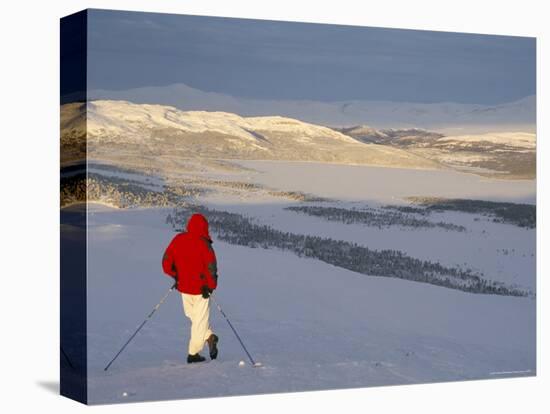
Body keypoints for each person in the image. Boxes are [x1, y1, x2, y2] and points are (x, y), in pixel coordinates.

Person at [162, 213, 219, 363]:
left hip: (184, 288)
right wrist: (211, 286)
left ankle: (208, 337)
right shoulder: (204, 244)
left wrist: (176, 276)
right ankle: (194, 354)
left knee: (194, 317)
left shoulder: (178, 239)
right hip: (202, 291)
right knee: (198, 321)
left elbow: (166, 263)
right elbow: (211, 268)